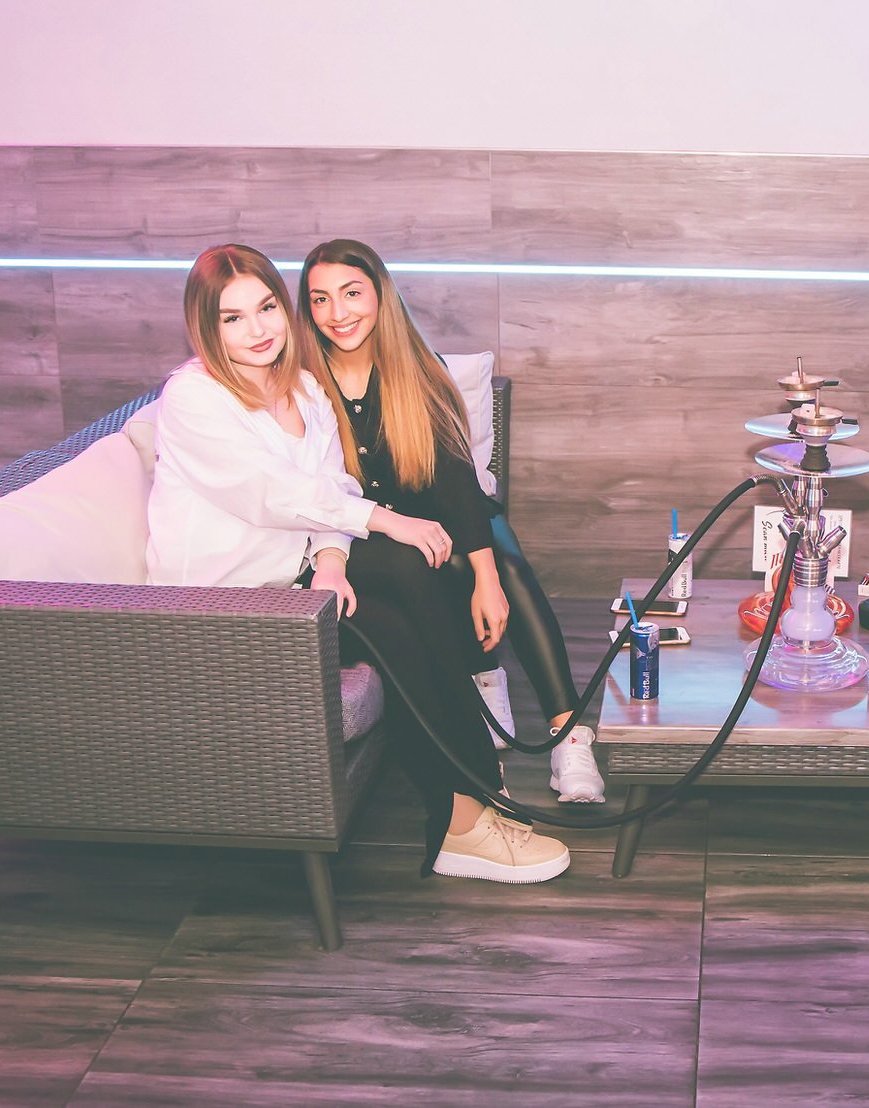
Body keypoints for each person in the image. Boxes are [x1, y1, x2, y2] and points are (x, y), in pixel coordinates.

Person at [147, 243, 570, 883]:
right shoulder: (193, 396)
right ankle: (472, 805)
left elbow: (333, 489)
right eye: (233, 318)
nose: (257, 329)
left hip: (298, 584)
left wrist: (332, 562)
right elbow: (274, 494)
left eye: (266, 308)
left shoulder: (302, 388)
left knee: (411, 578)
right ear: (207, 327)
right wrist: (384, 521)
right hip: (227, 607)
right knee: (400, 581)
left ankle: (468, 811)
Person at [296, 238, 605, 804]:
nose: (338, 313)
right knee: (435, 560)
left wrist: (488, 577)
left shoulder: (417, 367)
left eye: (351, 293)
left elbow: (455, 480)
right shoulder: (303, 385)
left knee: (502, 560)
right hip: (361, 537)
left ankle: (568, 735)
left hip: (437, 513)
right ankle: (484, 683)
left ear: (380, 294)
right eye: (321, 299)